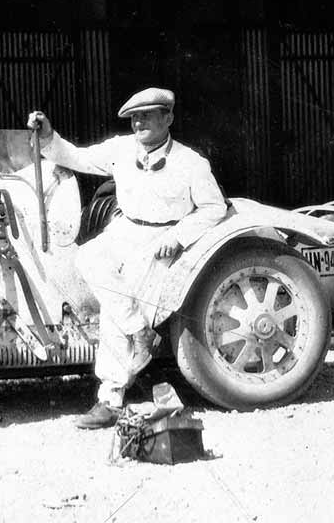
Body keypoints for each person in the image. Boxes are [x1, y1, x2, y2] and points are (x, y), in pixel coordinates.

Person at [27, 88, 227, 429]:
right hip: (125, 231)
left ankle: (111, 399)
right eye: (134, 117)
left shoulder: (191, 163)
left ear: (168, 118)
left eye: (147, 115)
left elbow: (214, 208)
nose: (139, 122)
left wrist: (178, 236)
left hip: (161, 239)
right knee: (88, 258)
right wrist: (48, 137)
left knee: (116, 307)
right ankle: (140, 333)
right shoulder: (120, 149)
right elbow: (77, 157)